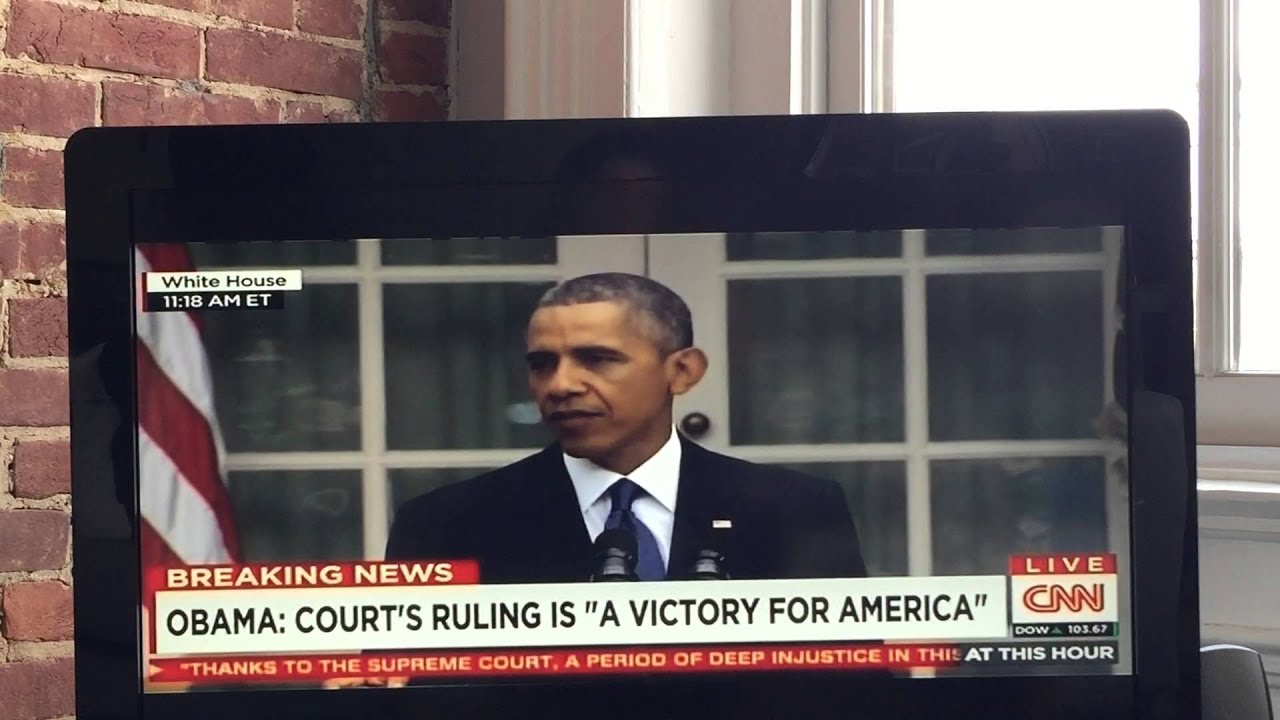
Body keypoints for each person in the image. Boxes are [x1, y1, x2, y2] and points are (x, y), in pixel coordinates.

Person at [384, 272, 868, 583]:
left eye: (596, 359)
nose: (561, 384)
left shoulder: (796, 510)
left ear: (682, 371)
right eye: (542, 364)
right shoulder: (444, 524)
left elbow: (848, 683)